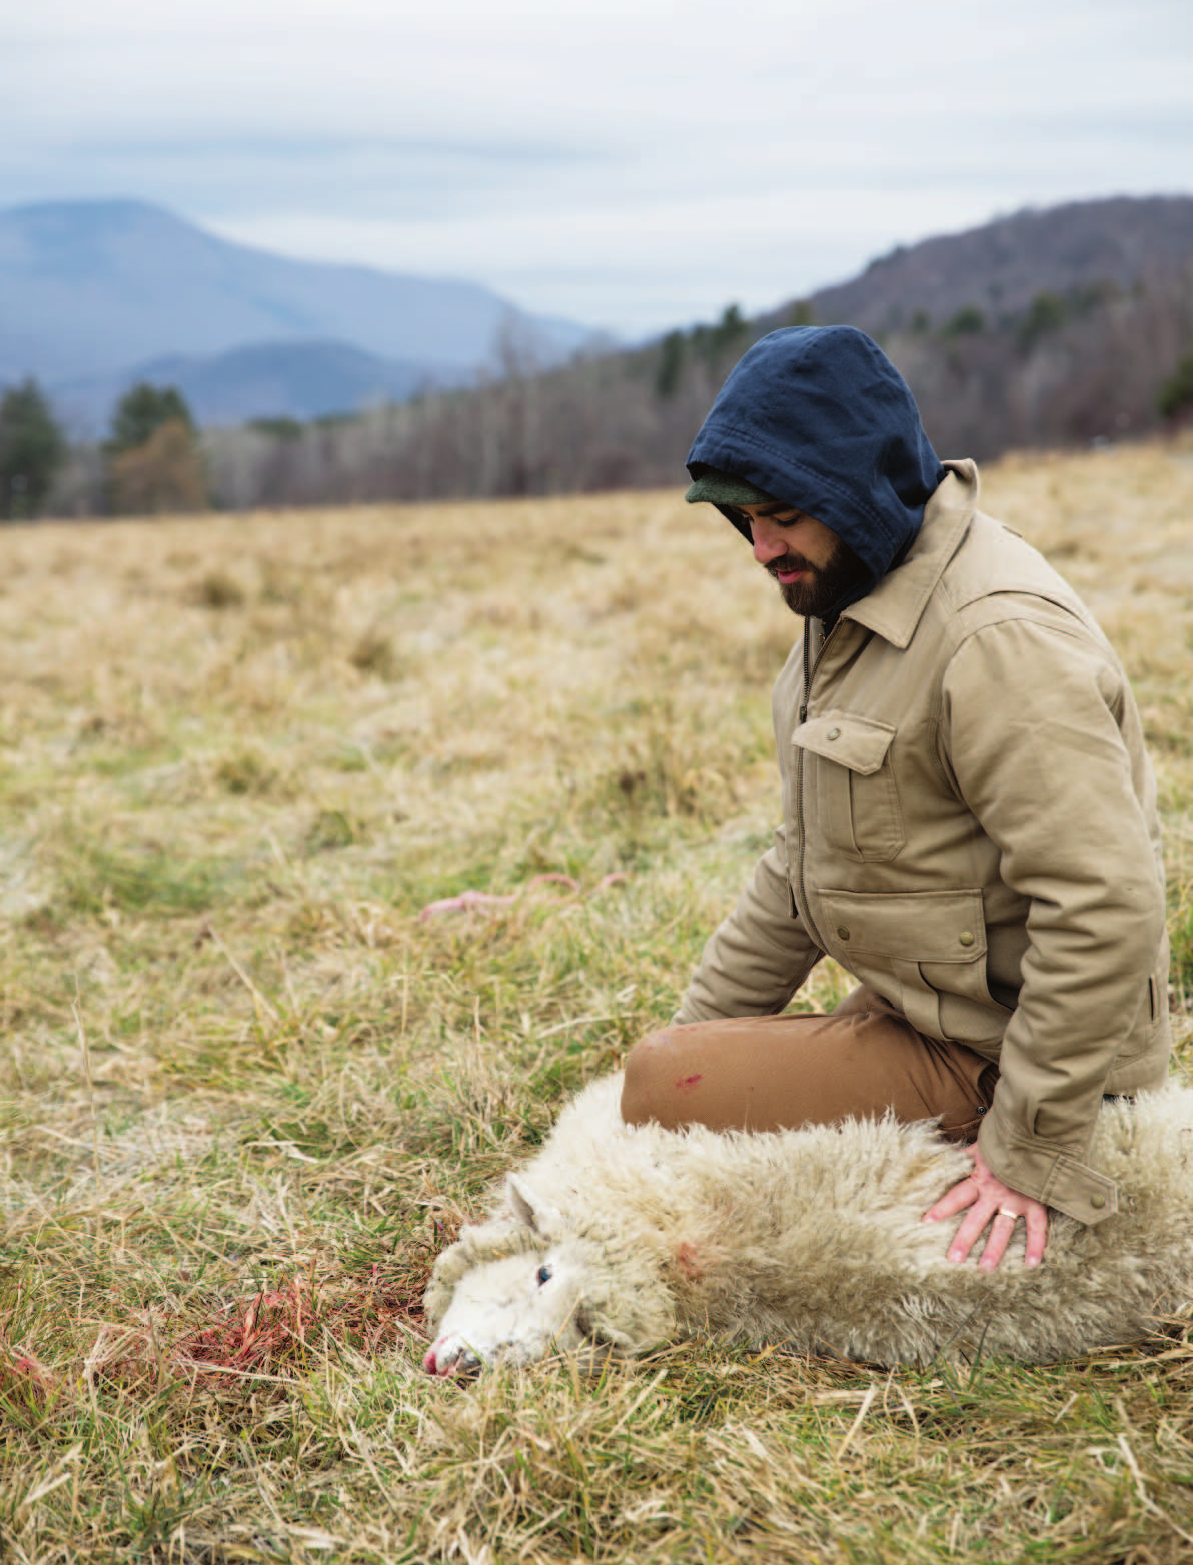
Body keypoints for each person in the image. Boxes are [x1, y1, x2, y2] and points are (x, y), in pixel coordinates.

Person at [620, 325, 1171, 1271]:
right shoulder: (848, 591)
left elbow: (1104, 904)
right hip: (922, 1003)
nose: (759, 546)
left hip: (999, 1045)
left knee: (654, 1087)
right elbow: (800, 870)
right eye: (742, 518)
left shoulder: (995, 640)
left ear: (858, 488)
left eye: (781, 513)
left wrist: (1029, 1147)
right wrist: (699, 1033)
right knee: (674, 1065)